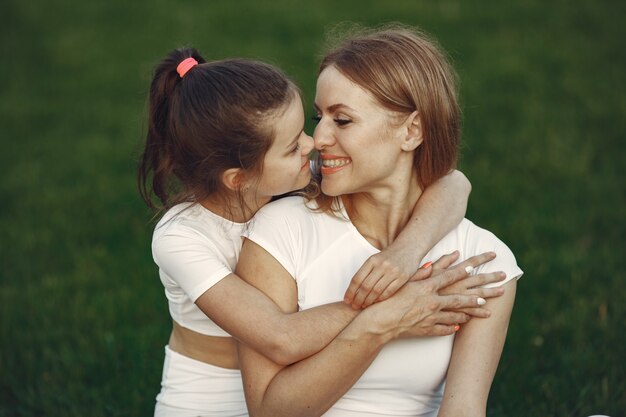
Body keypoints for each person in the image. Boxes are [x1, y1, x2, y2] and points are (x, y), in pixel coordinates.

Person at [138, 47, 502, 417]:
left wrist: (403, 254)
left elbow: (454, 184)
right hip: (209, 402)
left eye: (306, 126)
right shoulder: (182, 237)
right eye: (294, 144)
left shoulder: (288, 178)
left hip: (285, 384)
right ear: (239, 178)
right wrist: (396, 306)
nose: (314, 143)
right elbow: (282, 337)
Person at [236, 26, 523, 417]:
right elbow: (270, 411)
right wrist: (382, 323)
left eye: (343, 120)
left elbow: (463, 409)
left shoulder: (479, 260)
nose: (318, 138)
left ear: (412, 130)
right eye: (319, 116)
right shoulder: (281, 231)